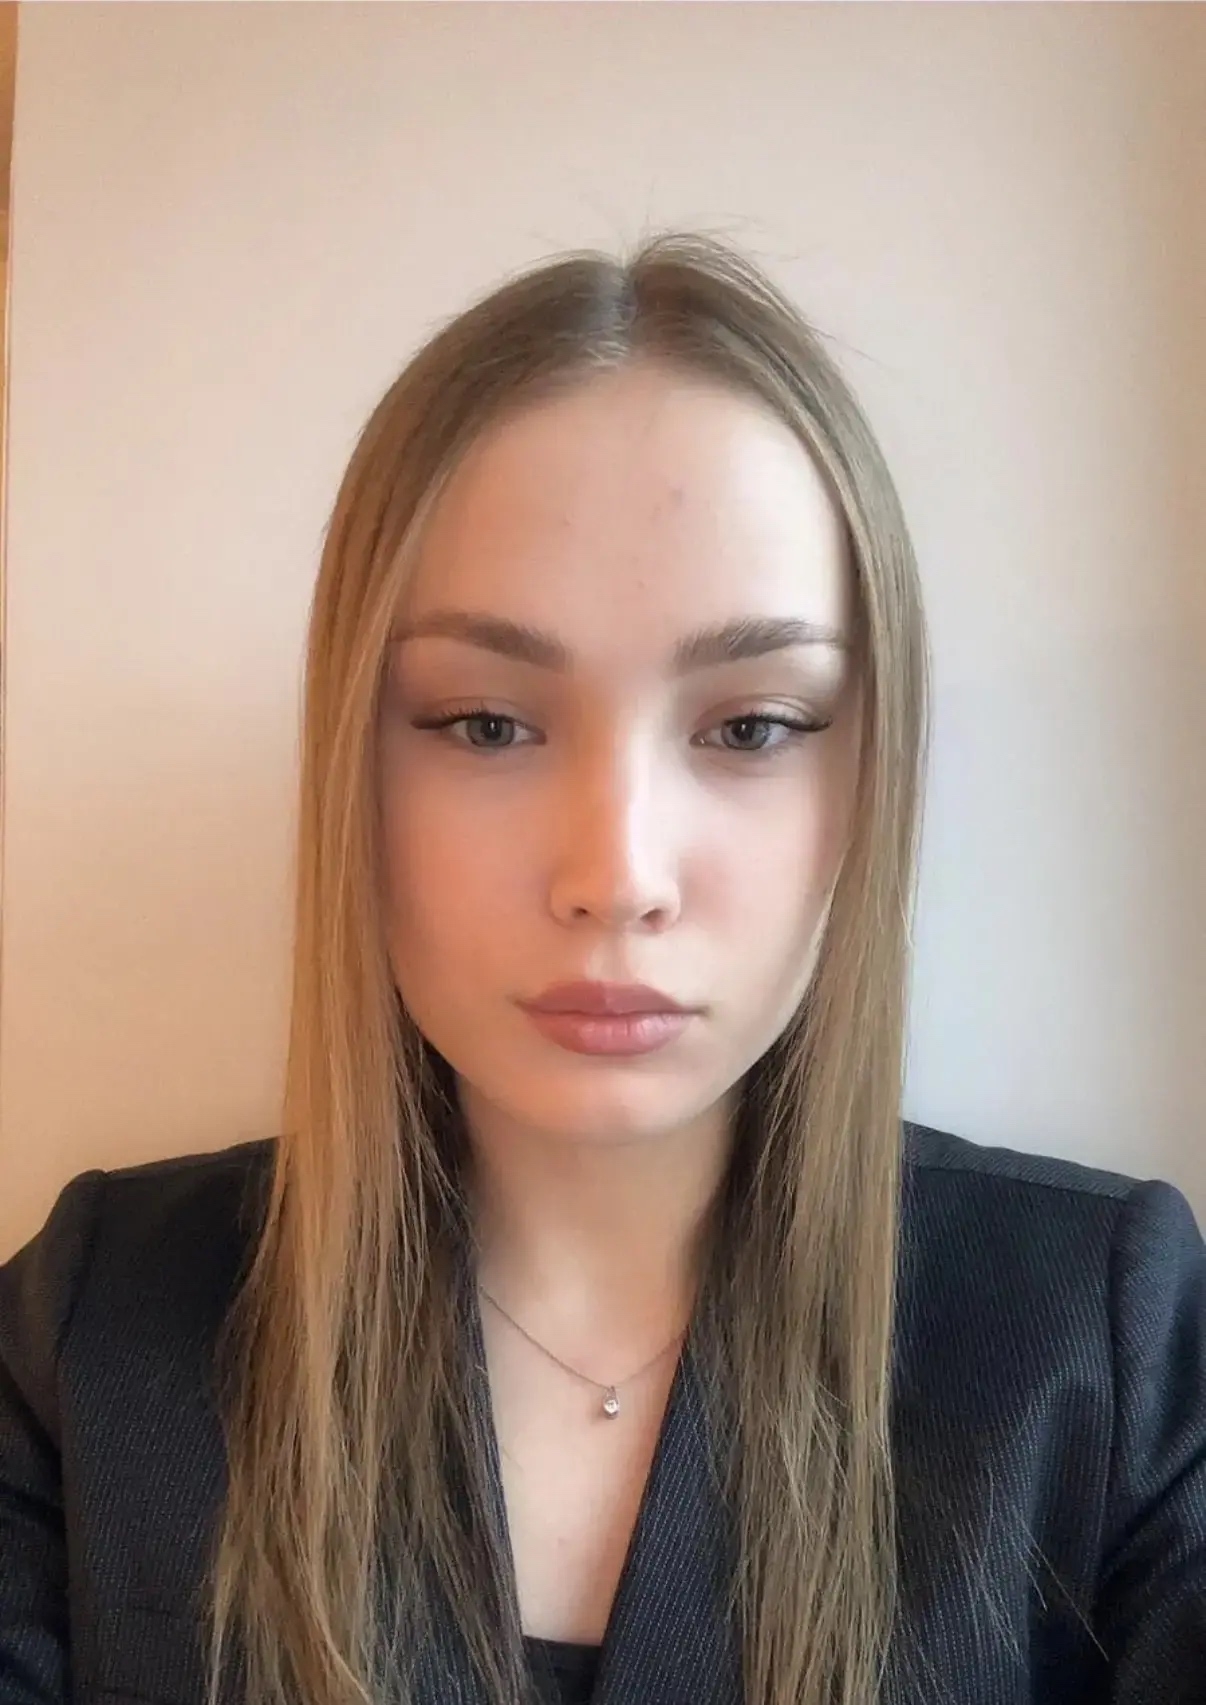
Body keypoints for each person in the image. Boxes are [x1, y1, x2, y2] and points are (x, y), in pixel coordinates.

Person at [1, 230, 1204, 1705]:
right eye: (486, 724)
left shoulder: (1108, 1349)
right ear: (354, 766)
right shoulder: (90, 1336)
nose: (617, 875)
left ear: (868, 776)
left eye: (751, 727)